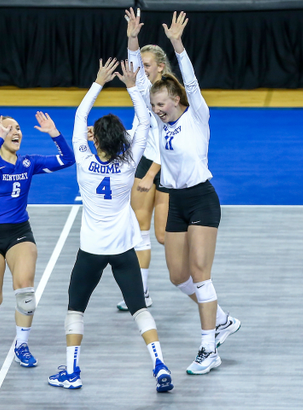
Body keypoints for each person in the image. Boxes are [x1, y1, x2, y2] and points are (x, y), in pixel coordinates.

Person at [48, 59, 173, 393]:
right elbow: (144, 123)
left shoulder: (84, 161)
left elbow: (78, 117)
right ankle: (159, 363)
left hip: (91, 250)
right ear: (121, 142)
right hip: (122, 249)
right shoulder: (129, 163)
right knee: (139, 309)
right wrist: (133, 87)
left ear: (95, 141)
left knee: (76, 308)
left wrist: (98, 82)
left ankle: (72, 372)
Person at [147, 11, 240, 374]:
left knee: (200, 272)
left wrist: (176, 44)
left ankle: (208, 347)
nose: (158, 111)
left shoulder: (196, 114)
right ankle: (224, 319)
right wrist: (133, 45)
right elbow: (144, 93)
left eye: (162, 105)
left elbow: (191, 80)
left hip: (201, 198)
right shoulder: (160, 121)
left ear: (177, 100)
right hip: (175, 201)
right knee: (176, 275)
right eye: (155, 107)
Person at [0, 111, 74, 368]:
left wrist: (54, 134)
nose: (16, 132)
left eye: (17, 128)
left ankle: (22, 345)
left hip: (19, 232)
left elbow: (68, 159)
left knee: (26, 293)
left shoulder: (29, 162)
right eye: (9, 129)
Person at [117, 8, 174, 311]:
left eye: (148, 65)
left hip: (160, 166)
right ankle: (143, 293)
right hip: (149, 163)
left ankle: (190, 273)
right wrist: (132, 37)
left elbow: (169, 140)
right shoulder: (145, 87)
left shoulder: (170, 95)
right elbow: (143, 128)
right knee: (145, 230)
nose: (143, 69)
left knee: (156, 233)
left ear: (161, 67)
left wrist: (151, 172)